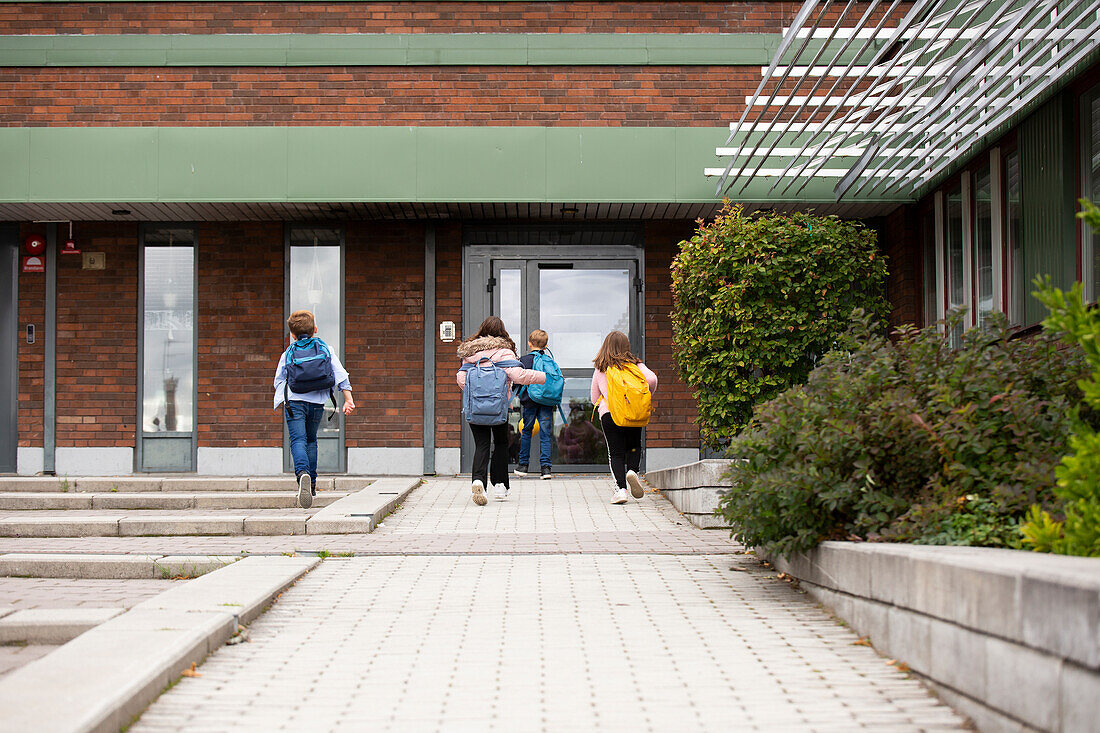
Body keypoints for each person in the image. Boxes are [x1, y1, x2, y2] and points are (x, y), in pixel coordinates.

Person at [456, 317, 546, 505]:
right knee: (501, 444)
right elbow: (518, 375)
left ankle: (478, 480)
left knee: (481, 445)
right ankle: (500, 486)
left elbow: (461, 378)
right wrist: (543, 377)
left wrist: (477, 395)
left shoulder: (470, 351)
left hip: (476, 408)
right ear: (502, 331)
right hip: (498, 408)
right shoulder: (504, 351)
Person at [273, 310, 355, 509]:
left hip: (295, 403)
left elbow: (279, 381)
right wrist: (348, 399)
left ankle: (303, 475)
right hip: (317, 403)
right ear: (315, 330)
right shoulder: (326, 348)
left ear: (292, 335)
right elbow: (340, 374)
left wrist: (281, 400)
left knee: (298, 440)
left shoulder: (288, 353)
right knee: (311, 440)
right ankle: (312, 485)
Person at [590, 331, 657, 505]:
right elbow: (652, 379)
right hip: (633, 411)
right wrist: (643, 397)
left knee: (616, 453)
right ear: (626, 346)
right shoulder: (636, 365)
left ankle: (620, 490)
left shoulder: (601, 367)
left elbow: (593, 397)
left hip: (610, 414)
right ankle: (633, 471)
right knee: (634, 446)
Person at [515, 329, 556, 479]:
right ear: (546, 346)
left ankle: (523, 465)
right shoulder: (550, 361)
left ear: (529, 343)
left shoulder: (524, 360)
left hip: (530, 401)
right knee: (545, 434)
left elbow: (517, 380)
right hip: (546, 401)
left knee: (526, 431)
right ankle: (546, 469)